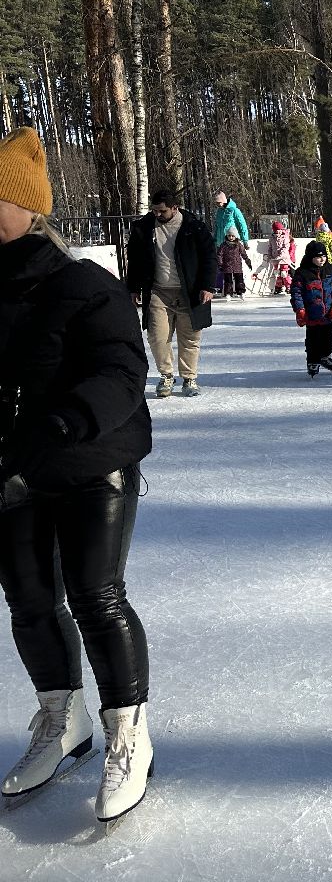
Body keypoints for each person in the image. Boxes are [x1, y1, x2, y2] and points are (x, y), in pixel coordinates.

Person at [0, 126, 155, 823]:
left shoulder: (85, 284)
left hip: (92, 459)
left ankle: (128, 732)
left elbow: (123, 370)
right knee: (31, 602)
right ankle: (62, 720)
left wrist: (68, 420)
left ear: (27, 207)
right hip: (12, 470)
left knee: (96, 594)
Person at [125, 189, 217, 398]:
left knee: (190, 337)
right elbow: (135, 260)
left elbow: (209, 257)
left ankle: (189, 377)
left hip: (190, 292)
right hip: (158, 291)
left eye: (162, 211)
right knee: (157, 336)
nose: (157, 214)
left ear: (174, 208)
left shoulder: (194, 227)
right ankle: (166, 375)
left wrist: (207, 286)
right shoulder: (144, 228)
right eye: (154, 210)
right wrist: (132, 288)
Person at [291, 239, 332, 376]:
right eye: (318, 257)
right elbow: (296, 293)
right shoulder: (302, 273)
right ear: (311, 257)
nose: (322, 259)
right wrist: (300, 310)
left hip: (328, 312)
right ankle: (313, 361)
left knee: (328, 337)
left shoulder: (330, 269)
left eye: (324, 256)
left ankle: (325, 356)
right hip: (311, 313)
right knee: (313, 340)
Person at [218, 226, 252, 298]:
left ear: (235, 236)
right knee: (228, 281)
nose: (231, 237)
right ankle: (228, 293)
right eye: (229, 235)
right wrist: (220, 264)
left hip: (237, 266)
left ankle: (241, 292)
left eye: (232, 236)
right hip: (227, 266)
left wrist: (248, 262)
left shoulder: (239, 245)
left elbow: (243, 254)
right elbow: (219, 255)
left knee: (239, 280)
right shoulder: (223, 245)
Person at [264, 220, 296, 295]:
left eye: (279, 230)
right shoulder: (272, 238)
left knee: (284, 273)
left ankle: (288, 286)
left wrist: (280, 255)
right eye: (276, 230)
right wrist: (269, 255)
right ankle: (278, 286)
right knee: (277, 273)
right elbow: (270, 248)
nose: (278, 232)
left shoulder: (285, 237)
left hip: (284, 259)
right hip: (275, 259)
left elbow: (285, 247)